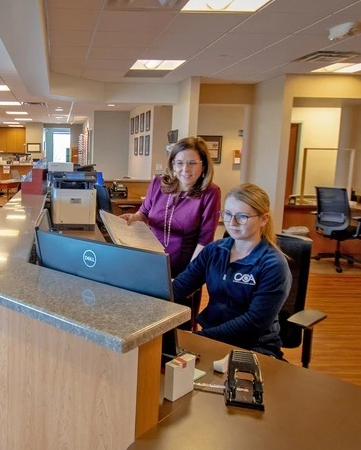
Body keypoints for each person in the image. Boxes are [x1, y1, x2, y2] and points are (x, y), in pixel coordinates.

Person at [172, 183, 291, 358]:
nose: (232, 223)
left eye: (242, 216)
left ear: (263, 219)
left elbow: (253, 323)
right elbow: (180, 287)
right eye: (227, 214)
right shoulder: (214, 250)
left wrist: (197, 338)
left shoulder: (273, 264)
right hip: (211, 339)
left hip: (253, 348)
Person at [121, 137, 220, 277]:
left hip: (185, 268)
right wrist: (133, 218)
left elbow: (205, 241)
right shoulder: (157, 184)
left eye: (192, 163)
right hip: (150, 260)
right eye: (179, 163)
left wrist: (188, 277)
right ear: (173, 164)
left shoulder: (210, 193)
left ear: (203, 165)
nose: (185, 169)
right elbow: (143, 213)